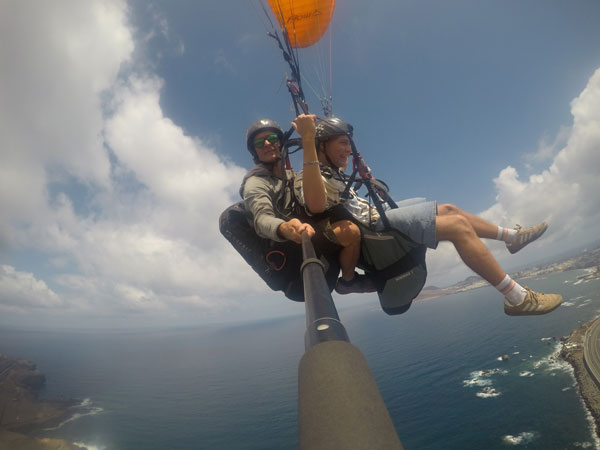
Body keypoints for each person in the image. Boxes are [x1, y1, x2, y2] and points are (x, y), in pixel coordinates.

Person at [294, 116, 563, 316]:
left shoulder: (333, 172)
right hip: (373, 230)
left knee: (449, 209)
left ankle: (512, 237)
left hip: (376, 216)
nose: (348, 150)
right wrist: (308, 139)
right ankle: (517, 298)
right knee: (457, 227)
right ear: (321, 145)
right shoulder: (309, 175)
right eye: (342, 143)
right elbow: (316, 206)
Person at [242, 117, 374, 293]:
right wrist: (284, 227)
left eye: (273, 139)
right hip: (293, 243)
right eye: (260, 142)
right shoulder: (256, 183)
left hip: (308, 229)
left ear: (281, 143)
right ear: (255, 151)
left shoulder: (288, 176)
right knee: (349, 231)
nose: (267, 143)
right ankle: (348, 282)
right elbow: (262, 218)